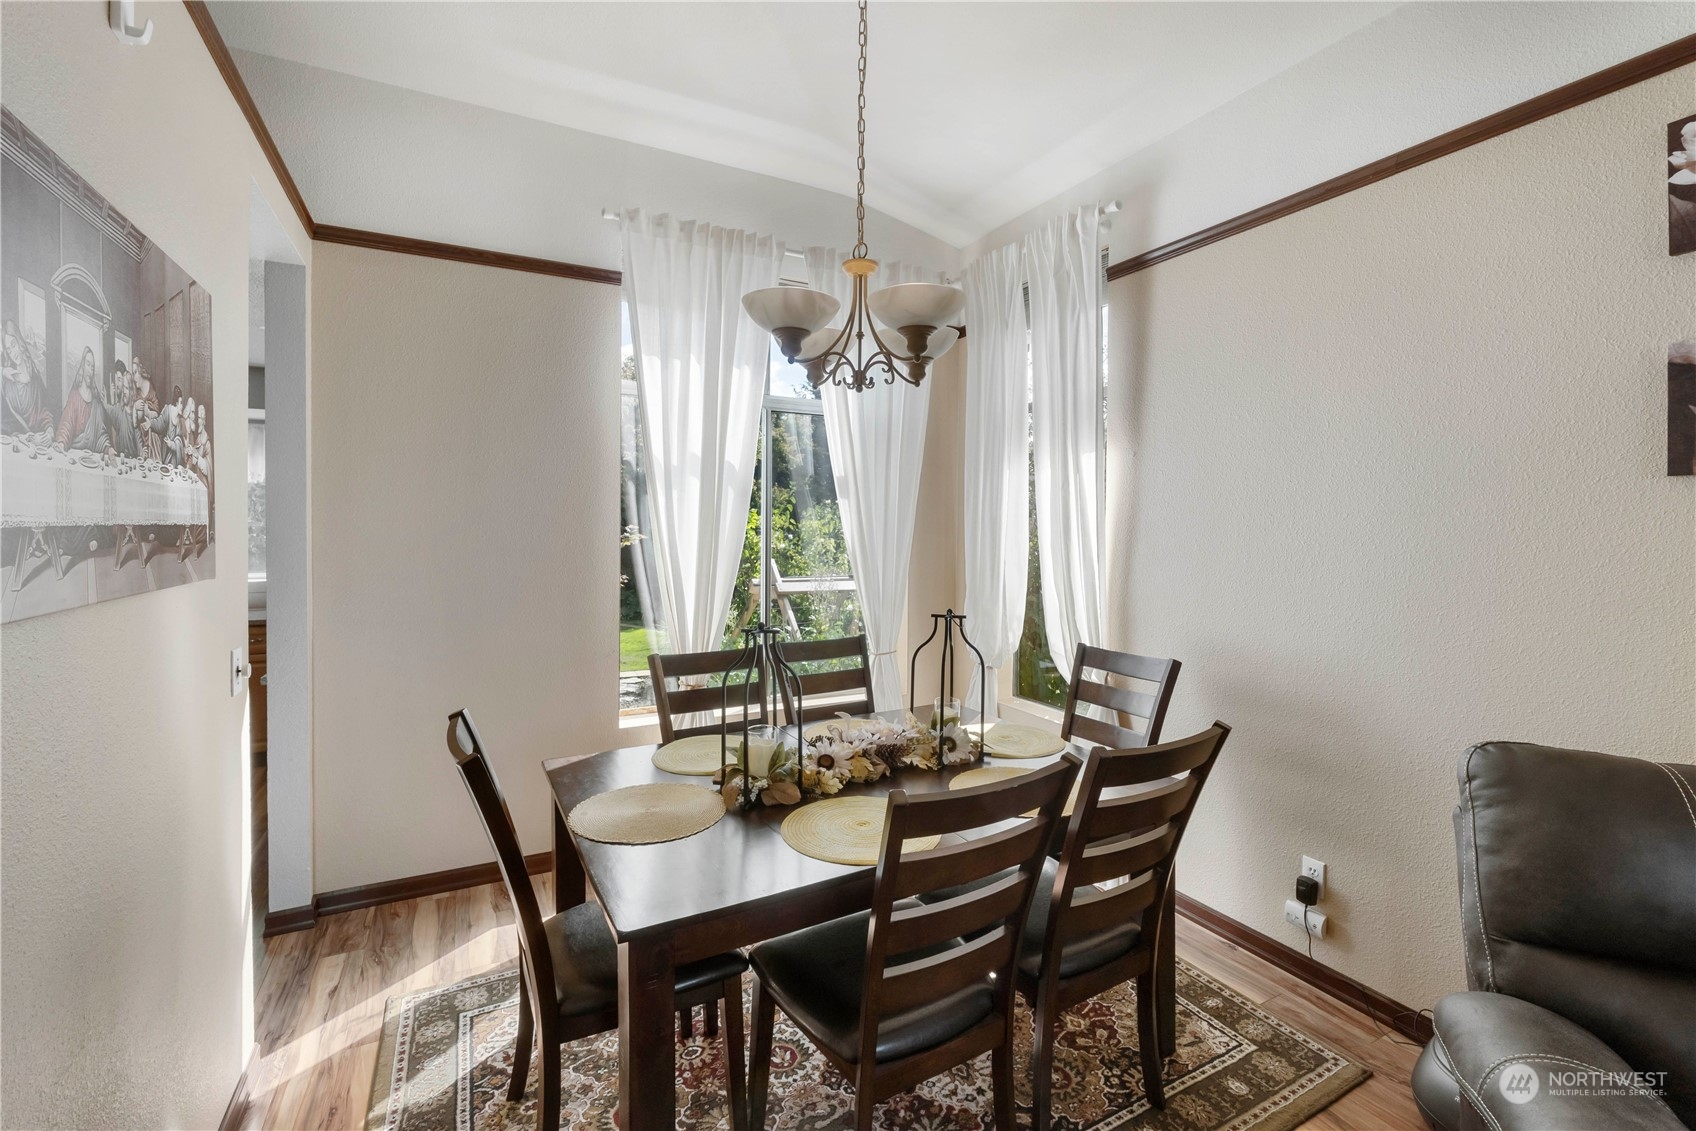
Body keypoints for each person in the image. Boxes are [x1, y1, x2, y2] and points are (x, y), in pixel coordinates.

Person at [54, 347, 113, 453]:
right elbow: (66, 424)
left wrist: (108, 449)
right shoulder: (75, 397)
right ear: (82, 366)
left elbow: (101, 435)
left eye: (93, 367)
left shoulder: (96, 402)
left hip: (92, 459)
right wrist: (61, 443)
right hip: (75, 456)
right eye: (88, 364)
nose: (90, 370)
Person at [2, 319, 52, 435]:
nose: (13, 353)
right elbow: (6, 420)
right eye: (9, 350)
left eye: (13, 345)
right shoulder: (8, 382)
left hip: (36, 441)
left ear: (19, 341)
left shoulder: (34, 378)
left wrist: (49, 430)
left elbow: (44, 411)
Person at [128, 362, 161, 460]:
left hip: (152, 438)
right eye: (133, 374)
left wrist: (147, 412)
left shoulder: (152, 391)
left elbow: (157, 415)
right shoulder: (137, 394)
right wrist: (135, 408)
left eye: (135, 373)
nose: (134, 378)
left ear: (141, 372)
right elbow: (134, 422)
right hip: (141, 437)